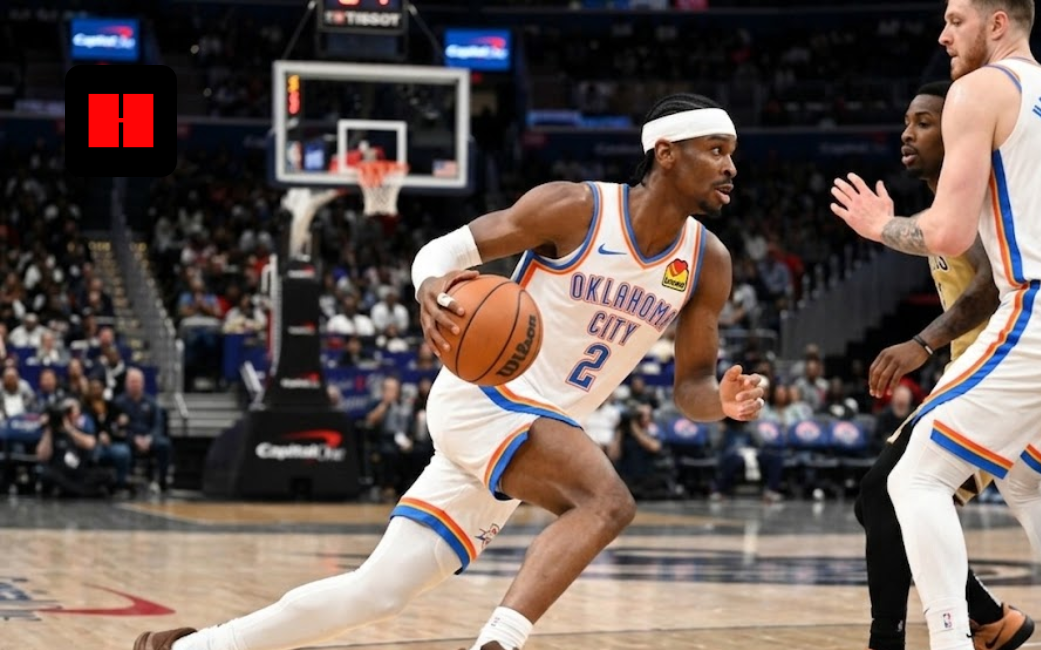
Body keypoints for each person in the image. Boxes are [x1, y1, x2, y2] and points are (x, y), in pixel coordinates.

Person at [134, 93, 767, 650]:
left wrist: (724, 403)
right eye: (716, 149)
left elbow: (690, 389)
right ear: (665, 153)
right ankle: (499, 644)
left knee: (375, 593)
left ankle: (196, 648)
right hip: (488, 397)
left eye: (732, 153)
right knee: (606, 502)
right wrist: (429, 285)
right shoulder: (575, 209)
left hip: (540, 433)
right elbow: (445, 251)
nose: (731, 167)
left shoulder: (707, 262)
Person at [831, 2, 1041, 649]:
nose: (943, 35)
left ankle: (952, 640)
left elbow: (946, 232)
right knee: (1028, 479)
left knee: (914, 479)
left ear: (997, 22)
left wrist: (876, 226)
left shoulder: (977, 90)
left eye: (955, 19)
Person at [853, 81, 1032, 650]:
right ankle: (992, 618)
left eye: (924, 122)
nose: (908, 132)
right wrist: (887, 225)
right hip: (973, 374)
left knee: (886, 494)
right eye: (907, 122)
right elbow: (941, 244)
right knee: (882, 499)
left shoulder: (976, 194)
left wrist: (921, 344)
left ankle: (895, 639)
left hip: (1004, 371)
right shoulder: (944, 208)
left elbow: (987, 284)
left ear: (957, 132)